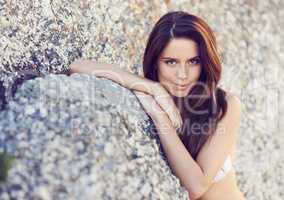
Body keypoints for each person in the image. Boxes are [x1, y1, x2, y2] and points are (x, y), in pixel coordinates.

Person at [70, 11, 245, 200]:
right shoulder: (151, 94)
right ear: (155, 63)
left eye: (193, 61)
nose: (183, 75)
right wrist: (152, 88)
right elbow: (77, 66)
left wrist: (161, 117)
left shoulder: (225, 105)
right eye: (171, 62)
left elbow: (197, 186)